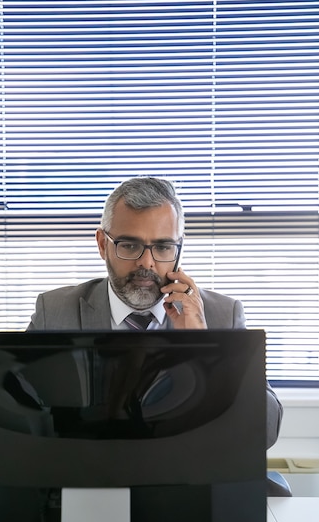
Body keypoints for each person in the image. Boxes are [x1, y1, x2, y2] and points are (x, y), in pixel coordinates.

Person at [28, 175, 283, 449]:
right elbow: (18, 415)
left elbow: (263, 432)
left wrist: (203, 346)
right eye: (129, 245)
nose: (146, 262)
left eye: (162, 247)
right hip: (89, 475)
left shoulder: (223, 314)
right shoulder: (54, 311)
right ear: (103, 245)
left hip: (183, 482)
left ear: (178, 249)